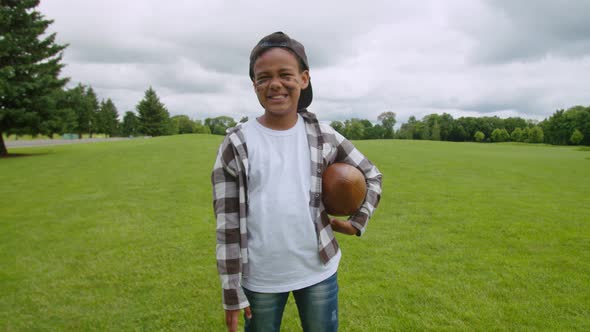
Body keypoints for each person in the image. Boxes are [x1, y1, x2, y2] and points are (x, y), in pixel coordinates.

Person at [211, 31, 382, 332]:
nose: (274, 84)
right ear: (254, 85)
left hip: (318, 271)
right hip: (260, 279)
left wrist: (357, 222)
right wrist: (231, 291)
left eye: (285, 74)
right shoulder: (237, 143)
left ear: (303, 79)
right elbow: (227, 224)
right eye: (263, 77)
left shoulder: (324, 136)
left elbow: (371, 175)